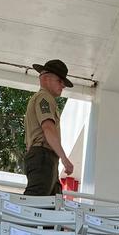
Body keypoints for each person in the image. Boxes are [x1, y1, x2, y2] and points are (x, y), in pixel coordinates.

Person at [23, 58, 74, 196]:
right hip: (43, 155)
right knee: (35, 202)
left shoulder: (43, 98)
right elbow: (48, 128)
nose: (63, 85)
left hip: (45, 157)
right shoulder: (44, 97)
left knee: (52, 204)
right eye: (60, 81)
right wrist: (64, 157)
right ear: (45, 78)